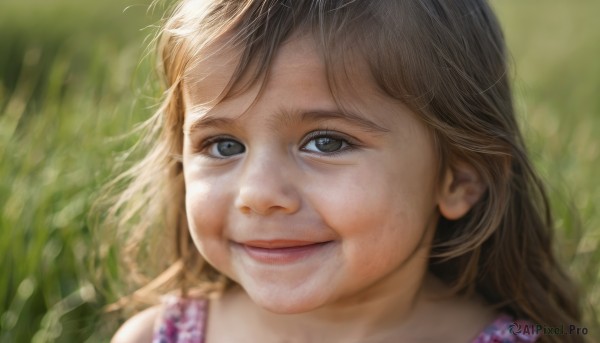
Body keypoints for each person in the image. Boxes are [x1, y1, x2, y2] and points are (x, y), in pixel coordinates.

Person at [107, 0, 582, 342]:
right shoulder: (158, 337)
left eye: (326, 142)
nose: (259, 193)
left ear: (459, 178)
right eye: (223, 144)